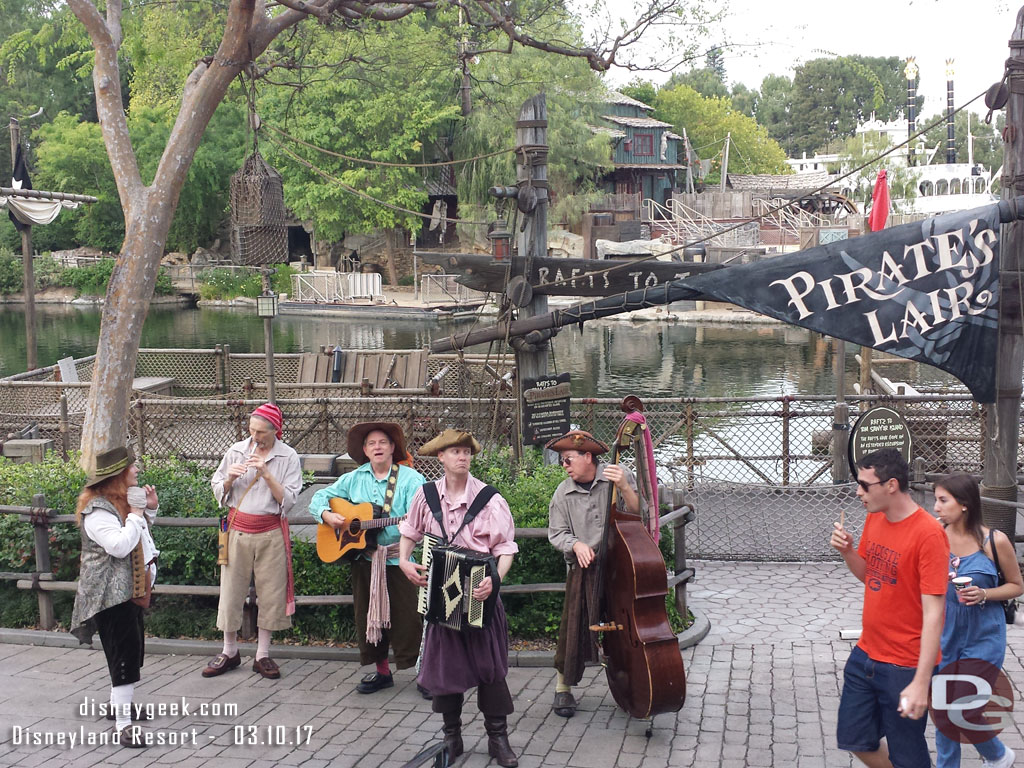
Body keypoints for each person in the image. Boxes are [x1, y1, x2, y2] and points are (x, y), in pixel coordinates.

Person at [398, 429, 519, 768]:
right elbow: (410, 531)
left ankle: (498, 740)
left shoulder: (490, 499)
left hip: (480, 594)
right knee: (444, 672)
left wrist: (495, 580)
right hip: (440, 596)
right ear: (441, 458)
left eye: (466, 451)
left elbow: (505, 549)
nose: (463, 456)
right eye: (455, 452)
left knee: (491, 670)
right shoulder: (425, 496)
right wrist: (406, 562)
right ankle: (452, 736)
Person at [830, 447, 949, 768]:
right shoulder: (876, 518)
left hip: (905, 666)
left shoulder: (929, 534)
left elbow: (935, 612)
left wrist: (921, 681)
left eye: (865, 485)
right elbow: (871, 577)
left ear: (891, 485)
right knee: (855, 739)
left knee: (908, 754)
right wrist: (848, 552)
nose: (858, 492)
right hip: (866, 653)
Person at [309, 422, 426, 694]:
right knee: (369, 619)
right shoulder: (354, 478)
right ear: (364, 450)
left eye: (383, 442)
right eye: (372, 443)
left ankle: (425, 673)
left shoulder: (411, 479)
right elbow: (319, 497)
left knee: (409, 618)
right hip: (366, 559)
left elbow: (421, 518)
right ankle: (382, 672)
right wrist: (328, 515)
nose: (377, 447)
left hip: (400, 559)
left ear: (393, 448)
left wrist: (408, 527)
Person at [546, 429, 643, 719]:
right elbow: (557, 533)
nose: (564, 465)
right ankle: (563, 688)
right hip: (585, 568)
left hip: (621, 567)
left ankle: (635, 682)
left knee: (628, 627)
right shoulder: (563, 492)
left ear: (588, 457)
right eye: (562, 460)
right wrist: (575, 545)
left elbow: (639, 514)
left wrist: (625, 488)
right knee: (573, 627)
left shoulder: (618, 474)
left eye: (568, 460)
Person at [202, 403, 302, 680]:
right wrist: (230, 479)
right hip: (238, 529)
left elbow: (290, 500)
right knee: (232, 590)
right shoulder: (236, 450)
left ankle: (262, 655)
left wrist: (267, 474)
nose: (254, 436)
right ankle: (229, 650)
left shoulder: (288, 456)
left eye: (260, 432)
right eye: (251, 430)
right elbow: (217, 488)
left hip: (270, 531)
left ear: (275, 431)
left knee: (271, 593)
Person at [70, 445, 160, 748]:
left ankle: (117, 707)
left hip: (127, 594)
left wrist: (148, 511)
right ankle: (124, 726)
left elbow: (139, 537)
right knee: (124, 658)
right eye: (132, 468)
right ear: (118, 476)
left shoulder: (119, 503)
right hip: (110, 597)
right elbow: (120, 547)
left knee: (130, 653)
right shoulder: (97, 511)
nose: (136, 470)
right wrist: (137, 515)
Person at [932, 473, 1022, 768]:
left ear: (965, 504)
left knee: (965, 708)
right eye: (936, 499)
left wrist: (984, 593)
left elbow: (1017, 585)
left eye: (943, 500)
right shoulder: (934, 536)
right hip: (944, 634)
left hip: (984, 636)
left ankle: (998, 755)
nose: (936, 507)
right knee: (944, 710)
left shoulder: (995, 541)